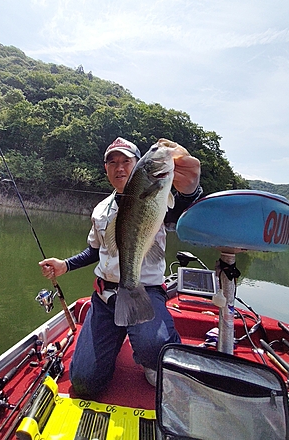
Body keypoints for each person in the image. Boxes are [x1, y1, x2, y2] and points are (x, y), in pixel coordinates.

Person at [39, 137, 202, 399]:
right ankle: (110, 347)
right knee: (83, 381)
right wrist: (65, 265)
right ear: (106, 169)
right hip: (104, 300)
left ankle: (150, 357)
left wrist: (191, 189)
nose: (119, 168)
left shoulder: (158, 192)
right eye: (112, 162)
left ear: (138, 166)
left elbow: (182, 206)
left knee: (155, 347)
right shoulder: (101, 209)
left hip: (146, 291)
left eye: (126, 161)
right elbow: (95, 250)